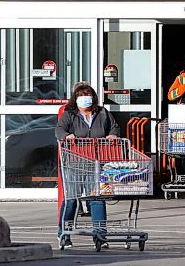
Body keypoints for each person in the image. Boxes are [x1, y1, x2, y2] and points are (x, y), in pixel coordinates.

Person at [55, 83, 120, 249]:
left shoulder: (102, 113)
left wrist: (113, 135)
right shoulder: (70, 114)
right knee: (71, 201)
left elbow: (114, 127)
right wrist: (67, 136)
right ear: (76, 99)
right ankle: (64, 234)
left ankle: (100, 236)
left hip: (95, 163)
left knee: (97, 200)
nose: (85, 99)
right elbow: (59, 130)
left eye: (88, 95)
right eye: (81, 95)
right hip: (74, 163)